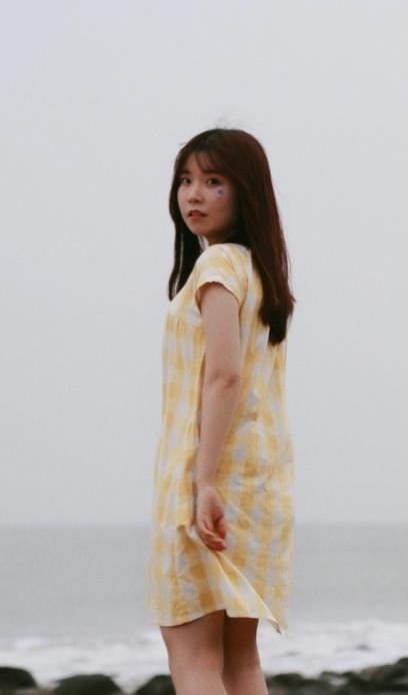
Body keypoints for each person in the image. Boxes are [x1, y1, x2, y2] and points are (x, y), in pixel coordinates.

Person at [147, 127, 296, 695]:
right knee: (238, 660)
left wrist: (203, 480)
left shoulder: (216, 268)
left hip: (208, 477)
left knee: (191, 654)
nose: (194, 194)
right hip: (261, 485)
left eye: (214, 182)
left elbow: (224, 374)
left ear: (245, 193)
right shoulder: (259, 272)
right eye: (186, 180)